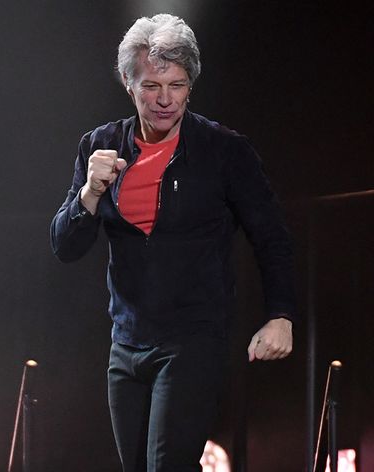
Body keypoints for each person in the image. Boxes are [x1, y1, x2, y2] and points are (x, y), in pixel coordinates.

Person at [50, 13, 295, 471]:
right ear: (128, 82)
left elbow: (272, 238)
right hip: (126, 343)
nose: (165, 100)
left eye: (177, 86)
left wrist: (281, 315)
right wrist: (88, 194)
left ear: (190, 85)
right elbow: (65, 247)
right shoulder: (100, 145)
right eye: (151, 86)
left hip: (192, 339)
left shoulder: (224, 150)